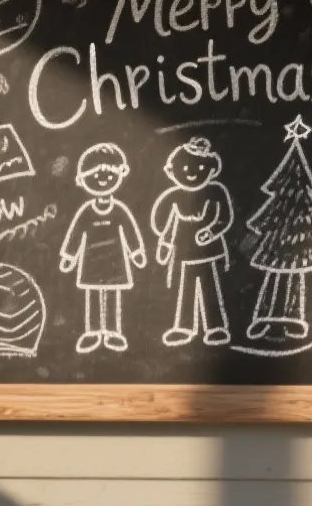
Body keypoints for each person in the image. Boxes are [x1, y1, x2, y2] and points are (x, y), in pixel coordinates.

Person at [59, 143, 146, 354]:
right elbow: (76, 235)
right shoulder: (86, 211)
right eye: (96, 173)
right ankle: (93, 331)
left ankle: (114, 332)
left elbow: (131, 232)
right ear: (84, 179)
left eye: (108, 173)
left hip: (115, 261)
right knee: (93, 295)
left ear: (119, 175)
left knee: (113, 295)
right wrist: (70, 256)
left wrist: (136, 253)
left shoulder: (119, 210)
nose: (102, 178)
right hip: (91, 261)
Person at [149, 138, 234, 347]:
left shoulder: (216, 191)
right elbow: (167, 225)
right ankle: (184, 328)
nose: (192, 172)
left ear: (211, 169)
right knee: (185, 291)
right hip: (184, 254)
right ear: (173, 170)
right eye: (185, 167)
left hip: (209, 253)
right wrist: (165, 245)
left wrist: (211, 232)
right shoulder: (174, 197)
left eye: (201, 167)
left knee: (211, 289)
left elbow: (223, 217)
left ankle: (215, 328)